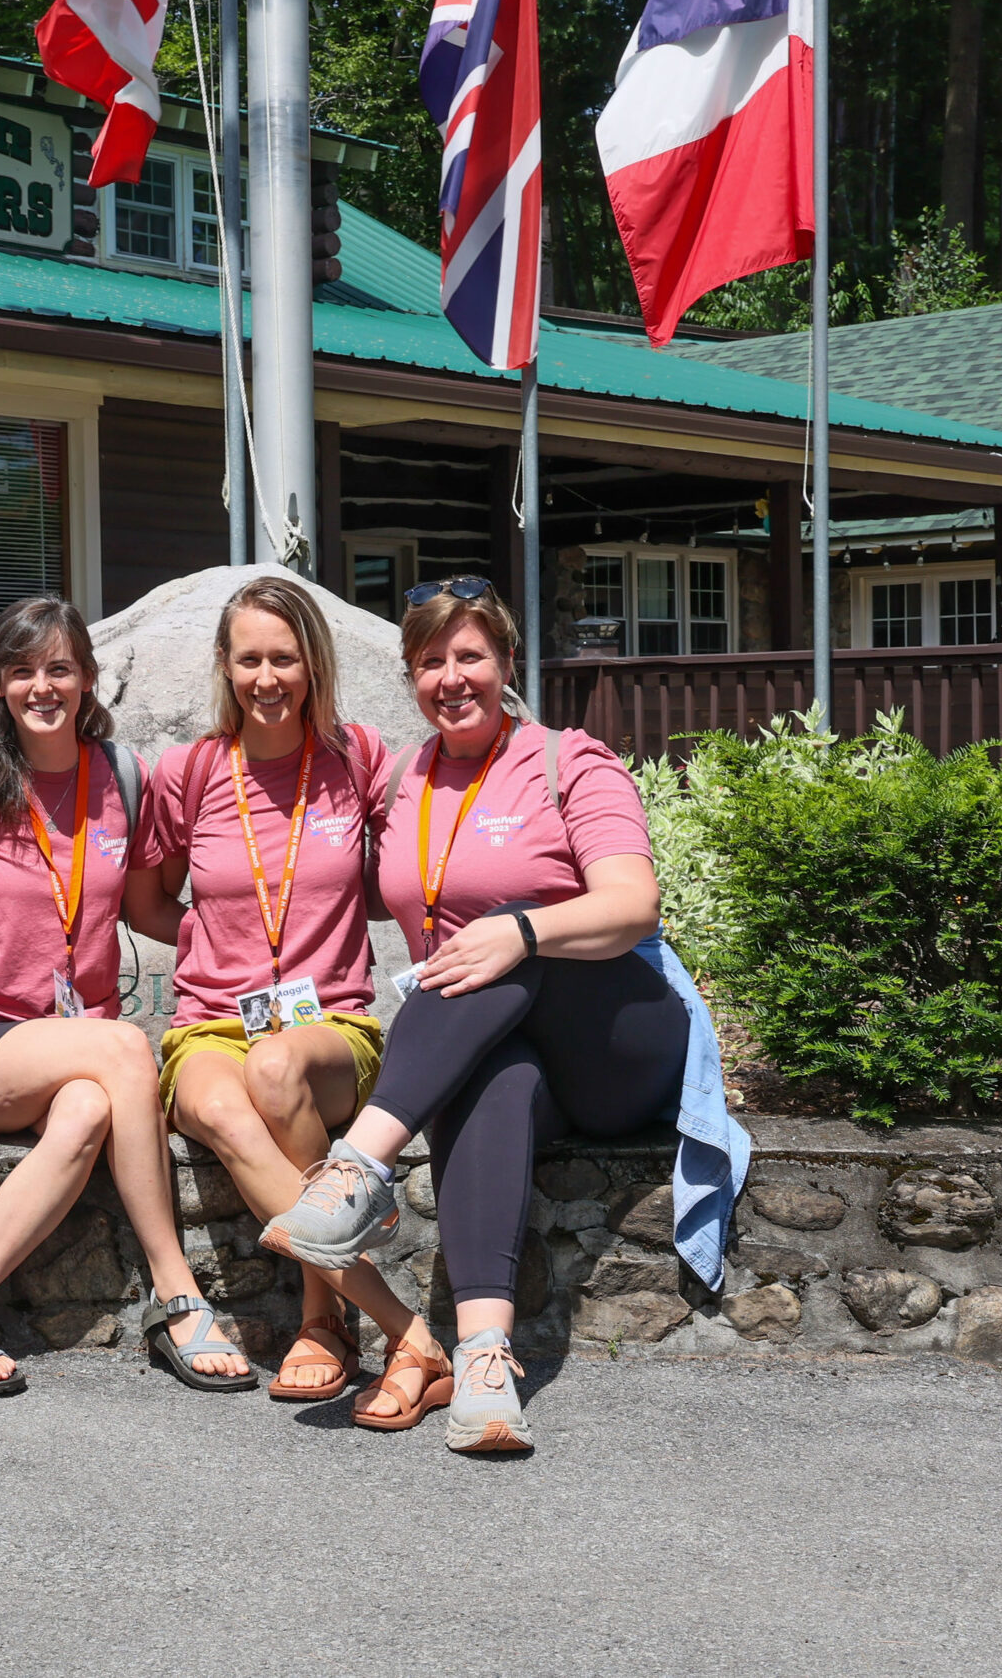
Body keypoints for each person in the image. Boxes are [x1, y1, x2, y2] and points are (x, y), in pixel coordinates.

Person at [259, 576, 745, 1454]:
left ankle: (356, 1170)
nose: (453, 677)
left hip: (618, 1035)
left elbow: (634, 903)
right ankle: (485, 1361)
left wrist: (523, 929)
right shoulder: (403, 778)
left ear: (508, 663)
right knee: (491, 1076)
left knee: (489, 940)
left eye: (471, 656)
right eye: (430, 660)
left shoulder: (569, 760)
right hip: (507, 1036)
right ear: (411, 676)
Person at [0, 597, 256, 1395]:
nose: (43, 686)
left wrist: (252, 944)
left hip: (78, 1052)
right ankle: (178, 1295)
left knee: (90, 1110)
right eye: (23, 669)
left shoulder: (122, 779)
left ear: (89, 679)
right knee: (126, 1044)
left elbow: (144, 909)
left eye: (60, 668)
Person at [127, 574, 446, 1421]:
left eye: (285, 658)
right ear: (225, 668)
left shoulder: (357, 758)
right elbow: (148, 898)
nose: (267, 677)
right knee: (230, 1106)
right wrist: (211, 944)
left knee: (275, 1070)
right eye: (249, 660)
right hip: (208, 1027)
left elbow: (396, 878)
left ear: (314, 663)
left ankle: (320, 1315)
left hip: (332, 1024)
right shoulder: (190, 771)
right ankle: (398, 1324)